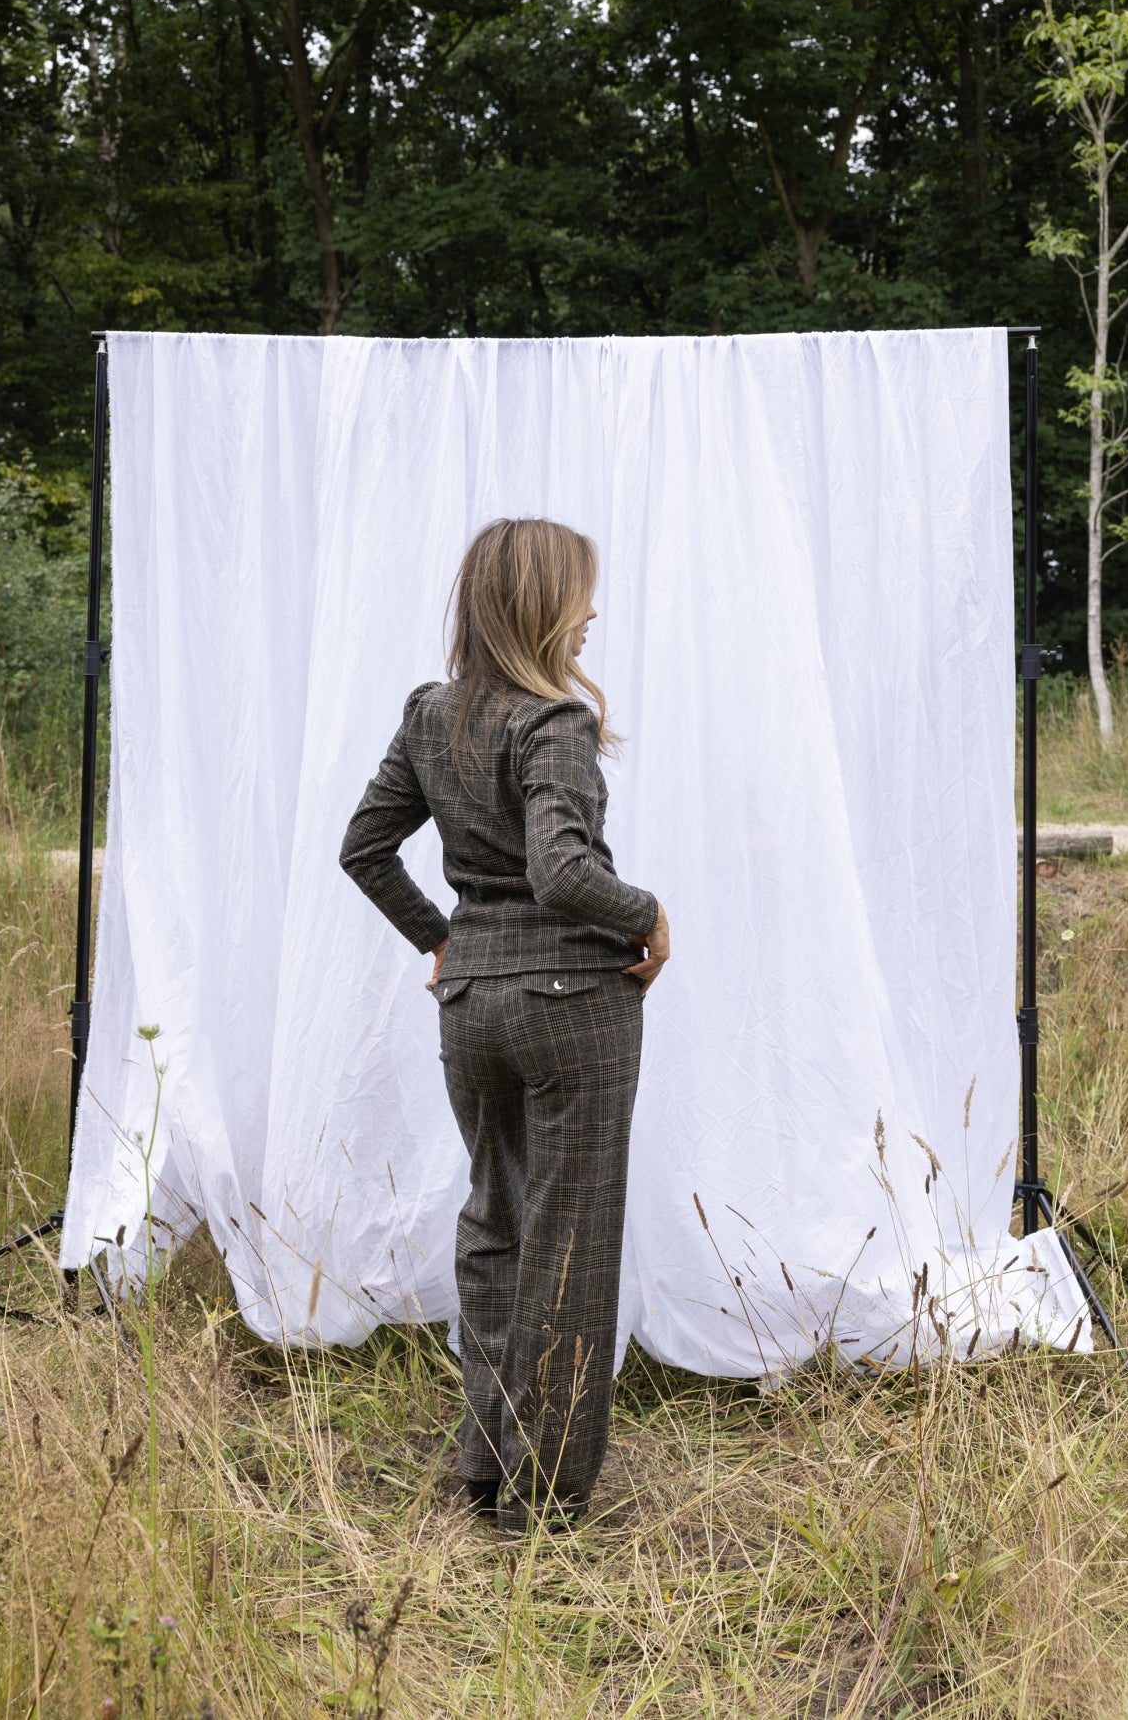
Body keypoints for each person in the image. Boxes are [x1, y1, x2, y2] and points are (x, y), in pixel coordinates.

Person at [338, 517, 669, 1536]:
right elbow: (562, 873)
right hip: (573, 1009)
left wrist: (447, 942)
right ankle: (546, 1496)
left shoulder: (430, 714)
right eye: (580, 594)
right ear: (540, 605)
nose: (592, 611)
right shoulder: (553, 723)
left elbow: (364, 849)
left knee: (495, 1224)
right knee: (572, 1238)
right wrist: (648, 913)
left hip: (473, 1006)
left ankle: (486, 1465)